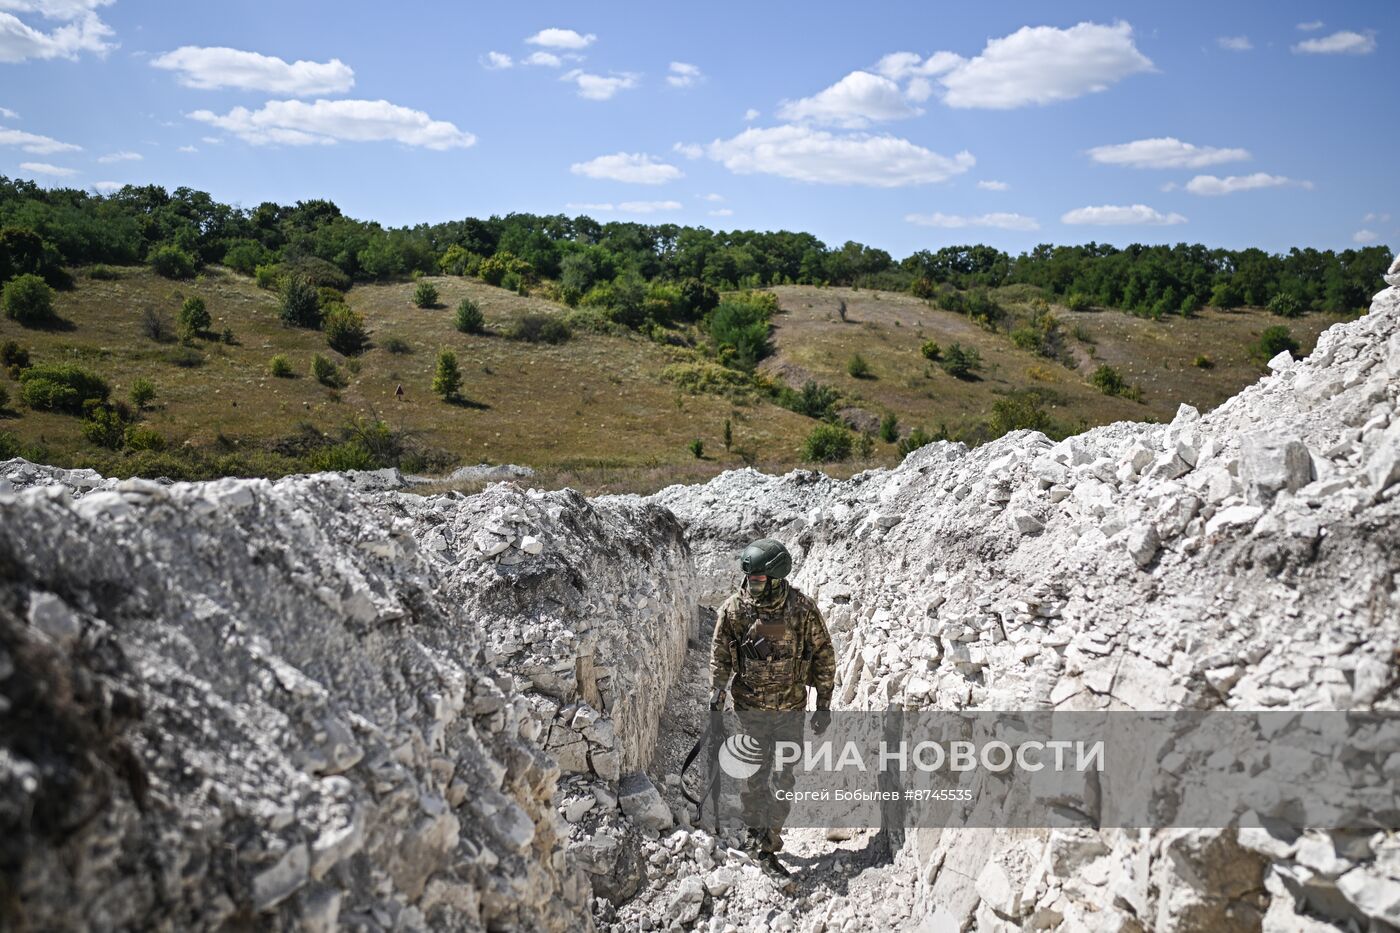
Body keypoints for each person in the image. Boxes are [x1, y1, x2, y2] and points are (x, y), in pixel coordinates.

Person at [709, 537, 835, 877]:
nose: (753, 585)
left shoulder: (802, 610)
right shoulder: (735, 609)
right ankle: (755, 837)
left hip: (790, 712)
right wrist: (717, 692)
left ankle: (767, 844)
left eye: (760, 579)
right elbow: (721, 654)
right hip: (750, 711)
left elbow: (824, 655)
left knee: (782, 780)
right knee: (754, 778)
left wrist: (824, 703)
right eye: (750, 579)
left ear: (777, 577)